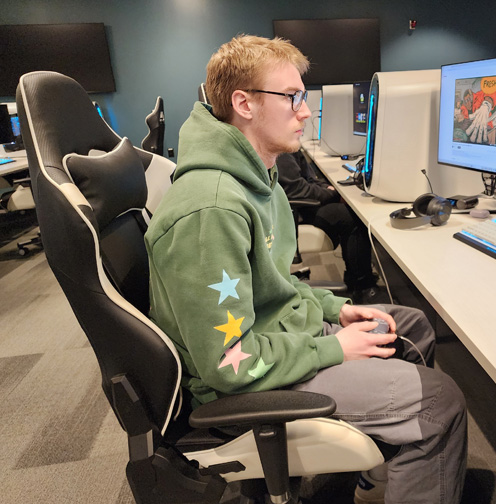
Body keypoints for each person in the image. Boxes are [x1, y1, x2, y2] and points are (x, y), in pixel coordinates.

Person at [144, 34, 467, 504]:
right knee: (443, 403)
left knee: (410, 324)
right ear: (244, 104)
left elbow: (274, 286)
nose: (306, 111)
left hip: (276, 338)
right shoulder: (212, 210)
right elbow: (227, 363)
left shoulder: (260, 177)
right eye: (292, 97)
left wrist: (335, 309)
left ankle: (381, 468)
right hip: (241, 385)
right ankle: (407, 446)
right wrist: (333, 348)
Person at [276, 150, 384, 303]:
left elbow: (309, 179)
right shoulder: (282, 154)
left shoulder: (289, 149)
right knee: (351, 217)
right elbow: (296, 190)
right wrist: (333, 195)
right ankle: (363, 285)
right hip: (295, 213)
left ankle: (357, 279)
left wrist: (327, 188)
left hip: (301, 207)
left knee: (347, 211)